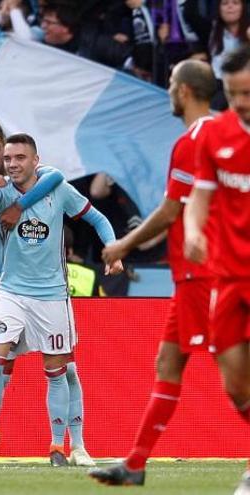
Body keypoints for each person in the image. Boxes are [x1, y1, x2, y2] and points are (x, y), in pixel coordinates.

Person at [88, 60, 217, 487]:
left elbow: (170, 210)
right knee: (168, 361)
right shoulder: (215, 134)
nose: (167, 91)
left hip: (207, 274)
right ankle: (136, 464)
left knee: (236, 376)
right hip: (193, 274)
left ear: (183, 91)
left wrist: (124, 244)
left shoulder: (194, 141)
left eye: (169, 84)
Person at [0, 133, 123, 468]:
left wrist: (114, 250)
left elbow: (96, 217)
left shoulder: (55, 186)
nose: (10, 163)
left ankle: (60, 447)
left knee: (61, 371)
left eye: (18, 157)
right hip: (10, 292)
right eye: (7, 158)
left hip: (52, 296)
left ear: (35, 160)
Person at [183, 45, 250, 495]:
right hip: (228, 274)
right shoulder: (215, 135)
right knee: (233, 380)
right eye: (233, 92)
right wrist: (193, 230)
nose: (241, 100)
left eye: (247, 91)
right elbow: (200, 198)